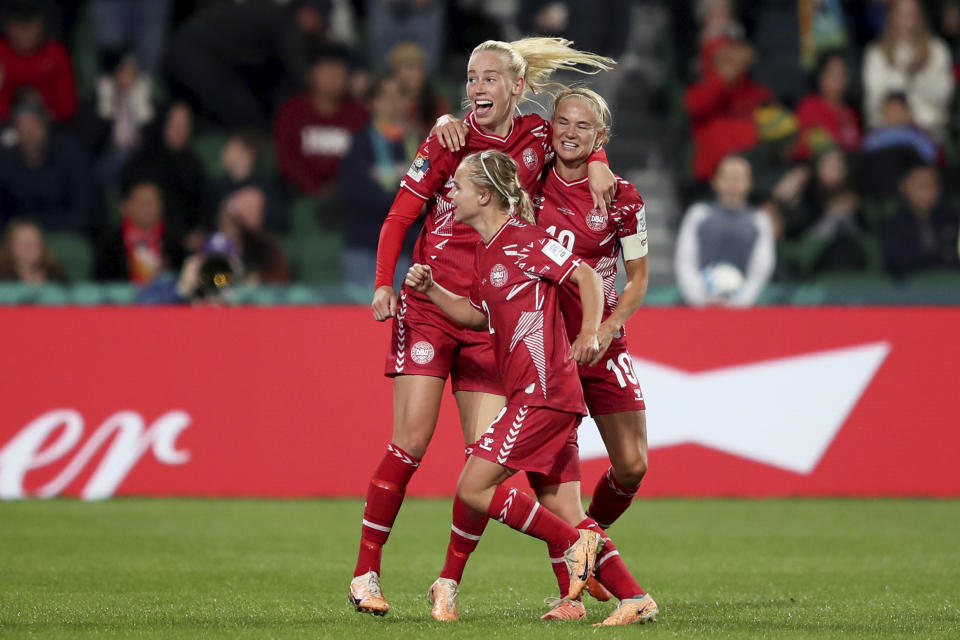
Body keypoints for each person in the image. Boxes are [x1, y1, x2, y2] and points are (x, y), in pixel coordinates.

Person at [350, 36, 616, 617]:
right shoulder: (447, 137)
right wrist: (382, 282)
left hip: (486, 318)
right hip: (428, 306)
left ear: (517, 86)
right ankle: (366, 572)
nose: (476, 88)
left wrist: (598, 160)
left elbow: (578, 140)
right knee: (412, 441)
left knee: (483, 462)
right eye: (471, 78)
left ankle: (448, 584)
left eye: (489, 78)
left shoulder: (538, 137)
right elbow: (400, 215)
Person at [406, 150, 658, 627]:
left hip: (543, 395)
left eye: (457, 187)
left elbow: (584, 275)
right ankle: (633, 597)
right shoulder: (488, 250)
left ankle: (570, 545)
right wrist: (433, 291)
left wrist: (588, 332)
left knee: (473, 486)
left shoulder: (526, 240)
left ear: (484, 195)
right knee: (563, 506)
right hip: (536, 395)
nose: (450, 195)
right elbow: (479, 316)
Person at [337, 74, 419, 289]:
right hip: (365, 249)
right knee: (358, 321)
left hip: (408, 250)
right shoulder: (359, 145)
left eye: (399, 95)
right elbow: (358, 193)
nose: (392, 102)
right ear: (372, 103)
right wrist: (409, 205)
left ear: (408, 101)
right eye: (384, 96)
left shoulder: (420, 143)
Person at [675, 155, 776, 306]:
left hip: (742, 306)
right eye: (727, 177)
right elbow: (685, 260)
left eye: (739, 178)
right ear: (715, 181)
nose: (733, 183)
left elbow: (761, 268)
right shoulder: (698, 214)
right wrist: (700, 299)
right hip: (700, 303)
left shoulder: (760, 220)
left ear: (749, 183)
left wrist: (739, 303)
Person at [274, 44, 369, 196]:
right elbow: (287, 158)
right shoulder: (292, 111)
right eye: (327, 72)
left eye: (339, 73)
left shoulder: (359, 114)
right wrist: (314, 188)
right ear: (312, 74)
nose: (333, 78)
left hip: (348, 195)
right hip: (300, 193)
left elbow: (364, 160)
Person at [863, 0, 955, 142]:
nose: (908, 19)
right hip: (888, 131)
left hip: (929, 132)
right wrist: (902, 78)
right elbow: (873, 99)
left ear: (920, 17)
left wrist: (919, 77)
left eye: (912, 13)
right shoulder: (876, 53)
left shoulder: (937, 50)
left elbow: (943, 97)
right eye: (902, 13)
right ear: (892, 16)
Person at [0, 101, 93, 235]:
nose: (29, 134)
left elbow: (83, 209)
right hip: (18, 234)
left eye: (33, 127)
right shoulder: (6, 160)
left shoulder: (70, 155)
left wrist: (44, 231)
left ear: (44, 126)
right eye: (22, 128)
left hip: (63, 232)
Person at [0, 0, 77, 122]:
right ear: (9, 28)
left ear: (41, 26)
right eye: (20, 29)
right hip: (7, 125)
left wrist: (42, 115)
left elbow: (68, 106)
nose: (25, 36)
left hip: (50, 125)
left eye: (30, 28)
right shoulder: (1, 54)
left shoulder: (56, 54)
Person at [95, 179, 182, 284]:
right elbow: (100, 281)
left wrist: (167, 272)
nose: (147, 208)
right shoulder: (110, 242)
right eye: (141, 202)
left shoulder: (174, 240)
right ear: (125, 207)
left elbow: (184, 279)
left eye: (152, 202)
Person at [883, 164, 960, 275]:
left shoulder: (953, 220)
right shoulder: (892, 225)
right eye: (922, 185)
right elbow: (901, 263)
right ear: (904, 187)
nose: (930, 190)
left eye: (934, 184)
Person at [794, 50, 861, 161]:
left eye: (843, 73)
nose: (838, 78)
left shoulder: (851, 112)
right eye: (832, 73)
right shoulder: (809, 107)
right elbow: (808, 149)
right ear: (820, 77)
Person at [0, 218, 67, 283]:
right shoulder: (2, 276)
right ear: (10, 246)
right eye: (23, 243)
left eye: (34, 242)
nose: (29, 248)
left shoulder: (55, 274)